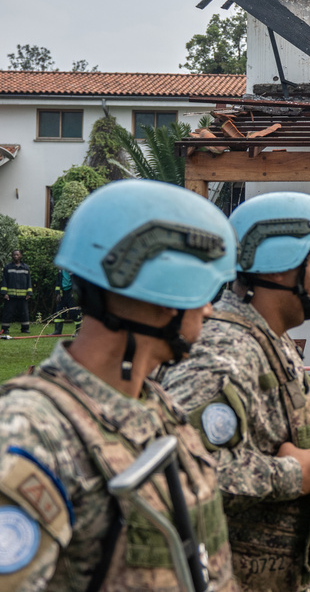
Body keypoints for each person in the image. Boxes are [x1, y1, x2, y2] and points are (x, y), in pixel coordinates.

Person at [0, 179, 238, 591]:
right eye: (204, 289)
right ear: (166, 293)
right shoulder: (33, 434)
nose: (208, 307)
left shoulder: (154, 402)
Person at [160, 191, 310, 591]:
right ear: (278, 267)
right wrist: (290, 474)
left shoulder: (272, 341)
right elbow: (178, 475)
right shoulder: (223, 354)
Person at [1, 249, 33, 336]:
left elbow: (28, 281)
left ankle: (25, 329)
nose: (16, 256)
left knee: (24, 313)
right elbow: (4, 281)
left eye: (17, 255)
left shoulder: (26, 267)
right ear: (12, 256)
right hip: (10, 296)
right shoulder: (8, 267)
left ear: (20, 256)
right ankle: (5, 329)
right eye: (14, 255)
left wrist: (29, 293)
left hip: (23, 296)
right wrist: (4, 293)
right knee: (8, 313)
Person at [50, 268, 81, 335]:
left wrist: (75, 291)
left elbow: (78, 281)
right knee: (59, 312)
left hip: (71, 292)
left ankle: (79, 331)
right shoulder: (60, 269)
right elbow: (58, 281)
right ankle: (57, 331)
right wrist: (58, 293)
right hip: (62, 293)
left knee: (74, 312)